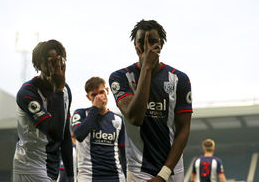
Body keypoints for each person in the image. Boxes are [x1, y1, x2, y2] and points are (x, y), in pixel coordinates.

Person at [109, 19, 193, 182]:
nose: (147, 47)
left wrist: (164, 174)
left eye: (153, 42)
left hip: (172, 169)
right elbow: (135, 117)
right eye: (142, 42)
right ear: (135, 45)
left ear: (161, 45)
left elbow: (183, 129)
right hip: (139, 169)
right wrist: (146, 68)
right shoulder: (120, 77)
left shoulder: (180, 79)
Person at [13, 39, 74, 182]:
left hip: (52, 168)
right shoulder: (28, 93)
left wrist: (71, 175)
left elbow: (65, 135)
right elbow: (55, 133)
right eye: (49, 61)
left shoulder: (65, 91)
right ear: (38, 63)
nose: (54, 66)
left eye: (58, 60)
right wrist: (58, 90)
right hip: (29, 166)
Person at [71, 77, 126, 181]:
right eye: (94, 95)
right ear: (88, 97)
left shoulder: (118, 119)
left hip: (115, 177)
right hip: (89, 177)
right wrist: (95, 108)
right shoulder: (81, 114)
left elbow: (123, 152)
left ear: (108, 91)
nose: (99, 97)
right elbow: (79, 135)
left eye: (101, 92)